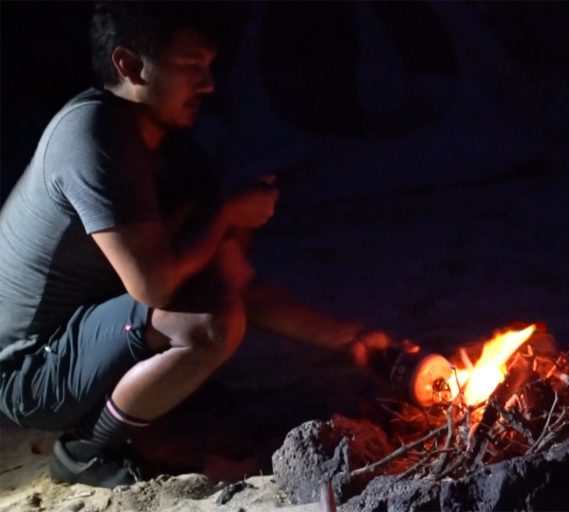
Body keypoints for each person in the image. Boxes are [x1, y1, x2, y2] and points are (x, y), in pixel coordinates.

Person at [0, 2, 393, 488]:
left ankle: (159, 405)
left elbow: (236, 282)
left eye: (209, 67)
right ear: (129, 65)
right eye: (190, 68)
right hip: (32, 373)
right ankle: (85, 450)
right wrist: (225, 211)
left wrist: (349, 338)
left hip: (86, 337)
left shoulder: (172, 149)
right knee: (209, 323)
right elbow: (155, 286)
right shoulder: (91, 135)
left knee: (215, 277)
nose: (207, 85)